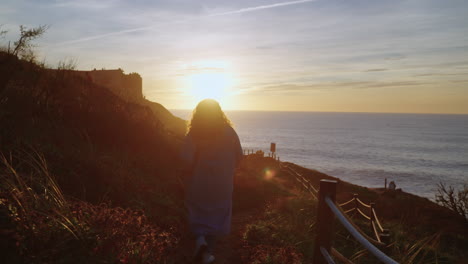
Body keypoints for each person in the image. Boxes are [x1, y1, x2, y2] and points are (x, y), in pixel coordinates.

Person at [180, 99, 243, 264]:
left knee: (197, 214)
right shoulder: (229, 132)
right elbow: (239, 157)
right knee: (216, 217)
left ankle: (200, 243)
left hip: (198, 182)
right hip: (222, 184)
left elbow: (185, 159)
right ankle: (207, 252)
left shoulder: (194, 134)